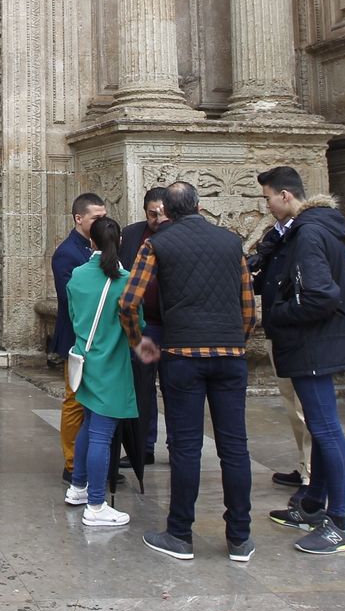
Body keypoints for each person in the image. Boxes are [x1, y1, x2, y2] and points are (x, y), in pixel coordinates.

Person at [120, 181, 256, 563]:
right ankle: (240, 537)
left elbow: (129, 302)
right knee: (234, 446)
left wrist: (139, 342)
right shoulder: (231, 242)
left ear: (166, 211)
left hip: (182, 353)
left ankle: (180, 533)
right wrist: (236, 340)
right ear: (198, 205)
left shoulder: (157, 244)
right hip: (230, 355)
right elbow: (248, 306)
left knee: (185, 447)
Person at [255, 167, 345, 556]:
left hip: (312, 345)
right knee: (320, 427)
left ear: (285, 195)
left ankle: (340, 523)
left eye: (267, 198)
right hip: (313, 344)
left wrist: (278, 313)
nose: (265, 206)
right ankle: (314, 505)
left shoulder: (310, 233)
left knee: (326, 429)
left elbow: (320, 295)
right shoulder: (311, 230)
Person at [64, 216, 136, 528]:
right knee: (101, 435)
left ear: (90, 241)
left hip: (84, 358)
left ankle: (77, 487)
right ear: (119, 242)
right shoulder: (125, 280)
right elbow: (136, 324)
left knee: (87, 425)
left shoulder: (77, 275)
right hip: (111, 364)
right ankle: (95, 503)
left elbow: (72, 314)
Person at [248, 214, 312, 492]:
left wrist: (287, 310)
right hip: (280, 332)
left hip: (298, 334)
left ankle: (312, 473)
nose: (267, 205)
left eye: (269, 197)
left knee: (304, 408)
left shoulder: (308, 239)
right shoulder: (277, 240)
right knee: (291, 404)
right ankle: (304, 466)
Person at [53, 192, 105, 482]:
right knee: (74, 400)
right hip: (76, 337)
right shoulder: (67, 253)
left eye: (104, 217)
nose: (101, 222)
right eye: (97, 218)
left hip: (98, 338)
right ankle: (72, 462)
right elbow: (69, 298)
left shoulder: (98, 248)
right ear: (79, 218)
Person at [118, 187, 170, 462]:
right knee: (142, 387)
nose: (157, 218)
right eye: (152, 213)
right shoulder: (132, 235)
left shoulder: (179, 235)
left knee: (174, 388)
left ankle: (178, 446)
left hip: (172, 326)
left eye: (162, 212)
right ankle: (143, 447)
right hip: (144, 326)